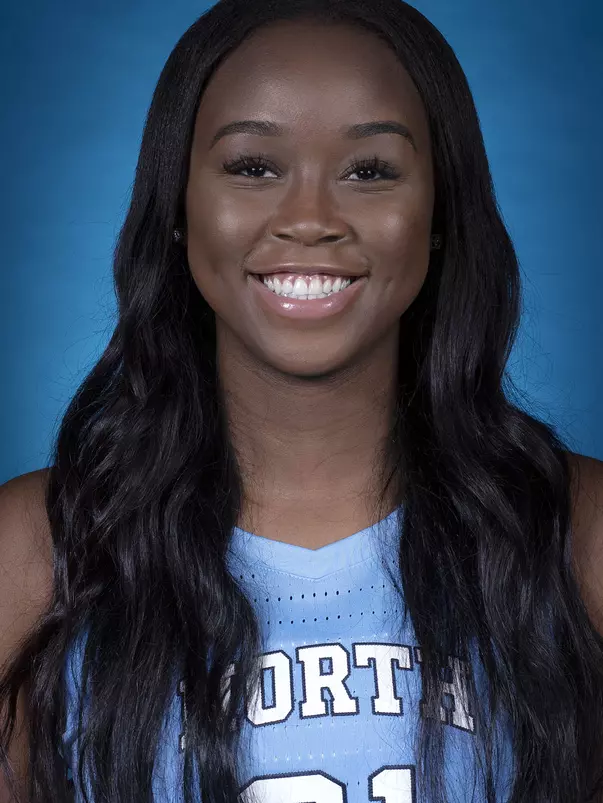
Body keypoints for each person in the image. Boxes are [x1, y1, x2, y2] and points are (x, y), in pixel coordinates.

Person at [1, 0, 602, 801]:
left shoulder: (578, 533)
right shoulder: (33, 552)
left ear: (438, 213)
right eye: (253, 166)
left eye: (369, 170)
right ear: (178, 207)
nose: (310, 219)